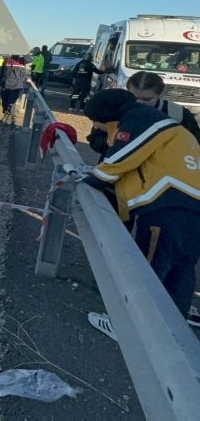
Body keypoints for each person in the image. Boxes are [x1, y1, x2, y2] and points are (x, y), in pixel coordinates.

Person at [81, 89, 200, 337]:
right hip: (190, 208)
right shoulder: (160, 121)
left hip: (168, 208)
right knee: (181, 269)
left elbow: (121, 159)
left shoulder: (139, 119)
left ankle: (127, 327)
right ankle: (173, 331)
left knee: (147, 269)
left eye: (97, 121)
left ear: (107, 114)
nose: (98, 127)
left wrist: (90, 180)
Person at [126, 71, 200, 145]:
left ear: (160, 94)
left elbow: (195, 144)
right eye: (133, 97)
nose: (139, 102)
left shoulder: (179, 114)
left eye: (147, 99)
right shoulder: (117, 110)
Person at [0, 55, 28, 124]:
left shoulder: (22, 59)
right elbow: (2, 71)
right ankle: (5, 115)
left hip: (16, 86)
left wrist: (24, 52)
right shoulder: (7, 60)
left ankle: (11, 118)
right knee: (4, 100)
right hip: (5, 84)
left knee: (11, 102)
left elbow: (29, 59)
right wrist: (0, 81)